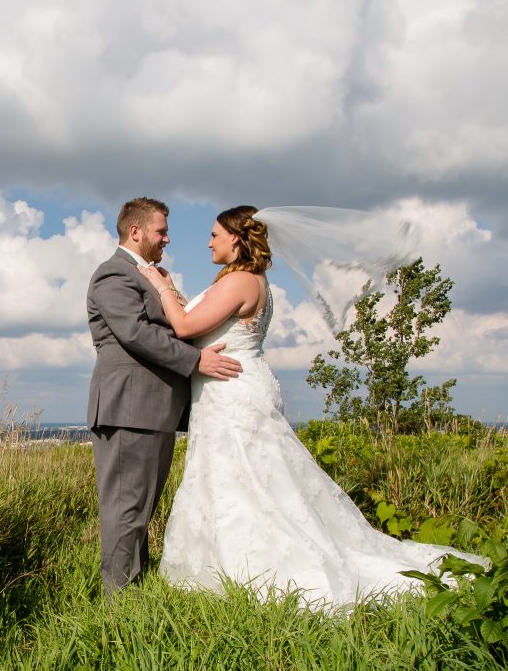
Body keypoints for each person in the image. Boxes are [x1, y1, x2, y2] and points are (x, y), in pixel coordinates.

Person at [139, 205, 483, 607]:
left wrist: (160, 284)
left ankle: (256, 569)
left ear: (235, 237)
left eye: (214, 234)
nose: (208, 241)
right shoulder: (241, 280)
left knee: (247, 481)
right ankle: (224, 566)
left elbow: (183, 327)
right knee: (236, 481)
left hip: (233, 392)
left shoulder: (243, 281)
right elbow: (197, 318)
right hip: (225, 390)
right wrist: (172, 287)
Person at [86, 197, 243, 596]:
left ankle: (131, 591)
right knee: (125, 511)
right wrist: (195, 361)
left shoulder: (151, 274)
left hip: (155, 411)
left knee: (140, 511)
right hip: (129, 410)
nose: (168, 239)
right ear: (135, 232)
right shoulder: (113, 275)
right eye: (161, 231)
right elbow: (136, 333)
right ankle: (117, 604)